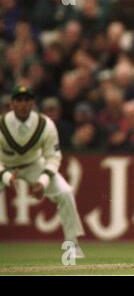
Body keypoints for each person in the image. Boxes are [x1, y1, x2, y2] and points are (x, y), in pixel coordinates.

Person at [0, 86, 85, 258]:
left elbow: (53, 156)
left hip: (33, 164)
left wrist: (43, 181)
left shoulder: (45, 124)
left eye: (27, 100)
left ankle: (72, 245)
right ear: (11, 104)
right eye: (19, 100)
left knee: (65, 193)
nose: (23, 104)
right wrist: (7, 176)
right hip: (4, 166)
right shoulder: (1, 125)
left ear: (33, 103)